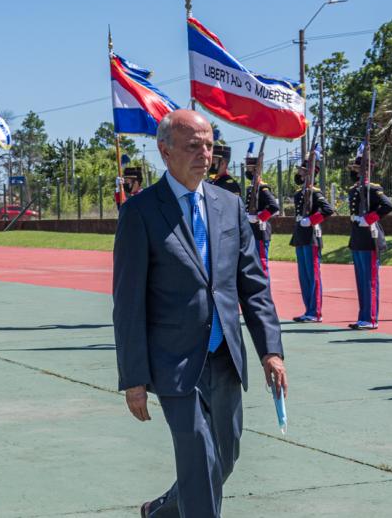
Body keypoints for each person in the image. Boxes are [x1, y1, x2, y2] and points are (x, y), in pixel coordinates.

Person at [113, 109, 286, 518]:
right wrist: (133, 378)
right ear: (165, 151)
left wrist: (270, 351)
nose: (204, 154)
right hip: (173, 360)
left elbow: (253, 285)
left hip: (224, 357)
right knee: (198, 459)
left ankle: (161, 512)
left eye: (208, 145)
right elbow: (128, 303)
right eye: (193, 146)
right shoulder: (141, 212)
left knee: (224, 457)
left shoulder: (229, 204)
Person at [346, 153, 392, 330]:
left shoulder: (373, 189)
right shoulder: (354, 190)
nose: (353, 171)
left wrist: (370, 218)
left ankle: (371, 318)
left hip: (370, 238)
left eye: (356, 169)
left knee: (370, 280)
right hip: (358, 238)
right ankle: (363, 316)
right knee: (361, 280)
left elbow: (388, 205)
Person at [290, 162, 334, 323]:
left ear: (309, 174)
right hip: (300, 236)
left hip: (311, 237)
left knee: (312, 275)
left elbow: (328, 210)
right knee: (303, 276)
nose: (299, 175)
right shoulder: (299, 193)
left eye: (301, 172)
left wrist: (311, 220)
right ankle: (308, 309)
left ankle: (315, 312)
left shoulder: (315, 193)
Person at [242, 156, 279, 275]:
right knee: (253, 263)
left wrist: (259, 217)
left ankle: (265, 292)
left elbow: (274, 206)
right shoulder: (251, 188)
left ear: (255, 170)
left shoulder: (263, 188)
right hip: (252, 230)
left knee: (262, 264)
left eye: (249, 169)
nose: (247, 171)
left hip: (260, 230)